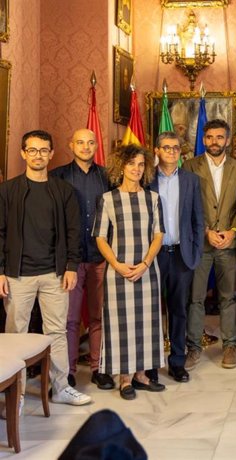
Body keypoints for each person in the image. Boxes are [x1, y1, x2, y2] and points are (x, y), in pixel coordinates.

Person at [0, 130, 92, 410]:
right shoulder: (8, 191)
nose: (38, 155)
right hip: (18, 275)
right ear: (22, 153)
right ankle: (14, 396)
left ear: (52, 154)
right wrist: (1, 271)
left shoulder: (63, 191)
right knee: (16, 334)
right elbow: (0, 233)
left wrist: (71, 266)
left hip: (54, 274)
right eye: (32, 150)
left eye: (43, 150)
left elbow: (74, 232)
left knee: (56, 332)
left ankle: (61, 387)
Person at [93, 144, 166, 400]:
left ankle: (141, 375)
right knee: (121, 324)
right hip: (119, 271)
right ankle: (124, 378)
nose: (136, 169)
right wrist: (117, 264)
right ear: (121, 166)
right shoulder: (108, 199)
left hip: (147, 270)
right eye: (131, 164)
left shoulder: (153, 199)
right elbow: (101, 237)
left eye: (141, 164)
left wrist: (145, 263)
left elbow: (159, 235)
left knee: (148, 322)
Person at [50, 129, 113, 390]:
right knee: (71, 318)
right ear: (70, 145)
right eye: (80, 142)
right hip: (71, 261)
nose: (85, 147)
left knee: (99, 316)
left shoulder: (107, 176)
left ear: (96, 145)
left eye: (90, 143)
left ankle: (99, 368)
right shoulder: (58, 176)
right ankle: (69, 370)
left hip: (101, 255)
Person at [182, 119, 236, 371]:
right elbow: (186, 206)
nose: (214, 142)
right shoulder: (190, 166)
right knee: (195, 298)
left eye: (219, 137)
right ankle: (194, 347)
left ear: (228, 140)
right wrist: (206, 231)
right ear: (204, 139)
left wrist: (232, 231)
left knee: (227, 297)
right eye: (209, 137)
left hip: (228, 245)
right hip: (200, 243)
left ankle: (230, 346)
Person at [149, 132, 204, 383]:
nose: (171, 152)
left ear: (181, 152)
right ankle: (149, 364)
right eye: (166, 147)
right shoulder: (146, 179)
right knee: (151, 310)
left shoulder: (191, 180)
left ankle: (177, 362)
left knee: (178, 310)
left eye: (175, 148)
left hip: (181, 255)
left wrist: (195, 252)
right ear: (157, 150)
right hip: (153, 255)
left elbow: (197, 219)